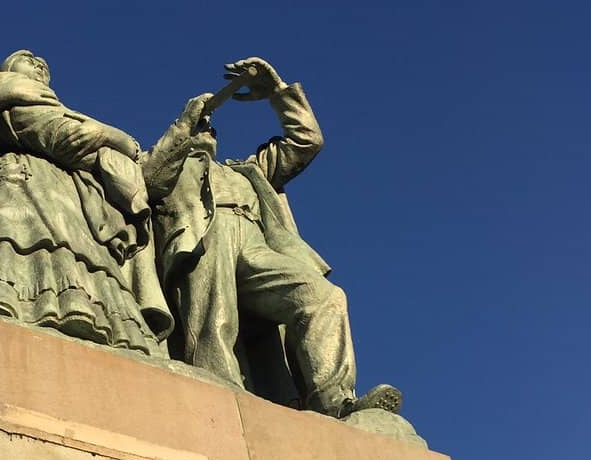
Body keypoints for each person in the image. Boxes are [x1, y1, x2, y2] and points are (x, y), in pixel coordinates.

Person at [141, 56, 401, 418]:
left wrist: (277, 93)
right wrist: (182, 127)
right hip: (200, 240)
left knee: (322, 297)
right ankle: (219, 405)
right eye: (200, 127)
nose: (207, 130)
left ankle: (334, 401)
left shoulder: (248, 171)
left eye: (209, 128)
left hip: (253, 242)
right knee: (215, 325)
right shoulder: (166, 163)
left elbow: (306, 141)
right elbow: (148, 181)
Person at [0, 50, 171, 367]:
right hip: (8, 186)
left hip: (64, 197)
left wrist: (112, 137)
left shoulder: (55, 110)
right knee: (7, 247)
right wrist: (9, 91)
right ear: (1, 69)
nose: (38, 64)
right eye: (27, 58)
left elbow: (72, 139)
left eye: (43, 66)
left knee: (77, 257)